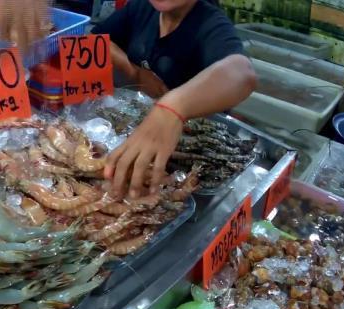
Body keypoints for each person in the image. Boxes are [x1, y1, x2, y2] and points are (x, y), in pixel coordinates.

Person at [89, 0, 257, 199]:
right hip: (137, 141)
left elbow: (242, 73)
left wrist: (173, 106)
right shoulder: (142, 7)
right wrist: (134, 73)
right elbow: (94, 40)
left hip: (195, 160)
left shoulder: (210, 24)